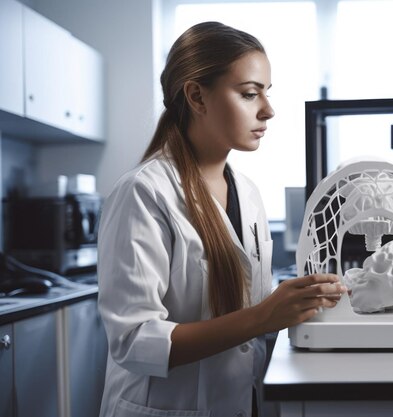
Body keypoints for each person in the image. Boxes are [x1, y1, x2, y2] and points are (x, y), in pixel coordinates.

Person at [97, 21, 346, 417]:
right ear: (197, 96)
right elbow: (134, 341)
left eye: (266, 93)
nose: (268, 109)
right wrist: (263, 315)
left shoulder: (247, 191)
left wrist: (301, 300)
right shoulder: (144, 193)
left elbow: (251, 308)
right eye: (250, 94)